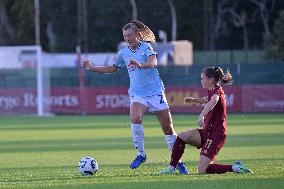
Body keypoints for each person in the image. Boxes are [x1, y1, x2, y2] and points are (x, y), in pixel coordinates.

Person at [82, 20, 188, 174]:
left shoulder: (146, 47)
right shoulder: (123, 53)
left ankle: (178, 161)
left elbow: (153, 63)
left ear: (138, 34)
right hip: (137, 93)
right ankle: (141, 154)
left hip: (155, 92)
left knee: (168, 129)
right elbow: (113, 68)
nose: (127, 38)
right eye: (125, 36)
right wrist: (92, 68)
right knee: (135, 118)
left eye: (130, 35)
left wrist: (140, 64)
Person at [160, 67, 253, 174]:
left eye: (203, 78)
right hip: (207, 132)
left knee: (202, 170)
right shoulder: (212, 90)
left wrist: (202, 115)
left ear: (211, 80)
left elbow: (214, 100)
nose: (201, 81)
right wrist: (194, 100)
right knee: (181, 136)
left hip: (215, 136)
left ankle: (235, 168)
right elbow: (206, 99)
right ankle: (171, 168)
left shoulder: (216, 92)